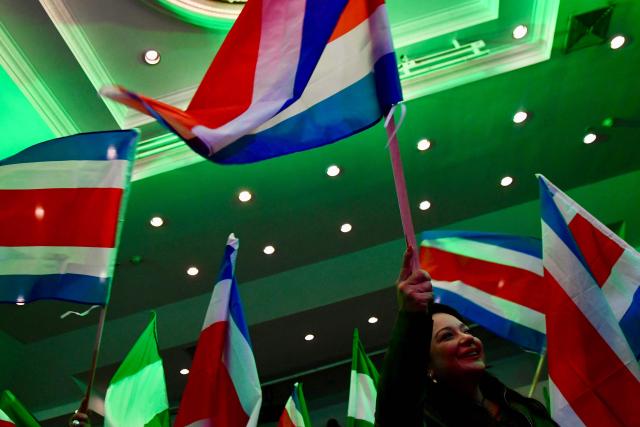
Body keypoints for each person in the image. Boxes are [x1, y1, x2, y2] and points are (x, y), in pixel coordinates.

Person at [375, 246, 558, 426]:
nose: (467, 338)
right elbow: (395, 406)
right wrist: (411, 315)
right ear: (427, 366)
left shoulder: (519, 407)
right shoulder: (428, 420)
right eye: (447, 336)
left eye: (466, 331)